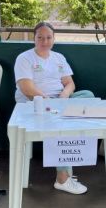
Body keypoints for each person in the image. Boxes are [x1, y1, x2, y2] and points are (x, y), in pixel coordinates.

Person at [14, 22, 94, 194]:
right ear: (34, 39)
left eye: (49, 37)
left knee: (88, 95)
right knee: (62, 123)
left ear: (54, 39)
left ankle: (71, 155)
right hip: (35, 104)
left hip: (59, 101)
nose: (45, 41)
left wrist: (64, 96)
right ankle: (62, 179)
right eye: (40, 37)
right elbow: (26, 89)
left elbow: (70, 83)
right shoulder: (25, 58)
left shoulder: (59, 57)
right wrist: (50, 102)